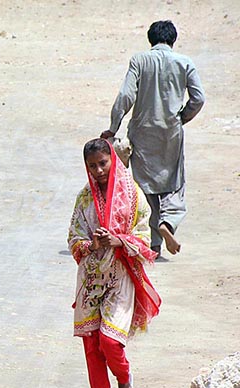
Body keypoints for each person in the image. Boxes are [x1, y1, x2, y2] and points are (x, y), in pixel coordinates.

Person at [68, 139, 161, 388]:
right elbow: (73, 237)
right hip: (91, 278)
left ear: (113, 160)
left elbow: (145, 238)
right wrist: (90, 245)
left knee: (110, 341)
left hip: (120, 276)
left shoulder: (132, 194)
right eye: (92, 166)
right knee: (92, 345)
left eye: (102, 163)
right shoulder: (84, 198)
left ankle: (124, 377)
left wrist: (119, 240)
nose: (98, 170)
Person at [101, 20, 205, 256]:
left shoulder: (139, 60)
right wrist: (181, 118)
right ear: (173, 40)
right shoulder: (184, 62)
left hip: (142, 130)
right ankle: (167, 223)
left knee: (145, 186)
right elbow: (198, 98)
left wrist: (113, 126)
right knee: (173, 183)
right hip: (171, 132)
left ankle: (153, 243)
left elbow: (125, 95)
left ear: (151, 39)